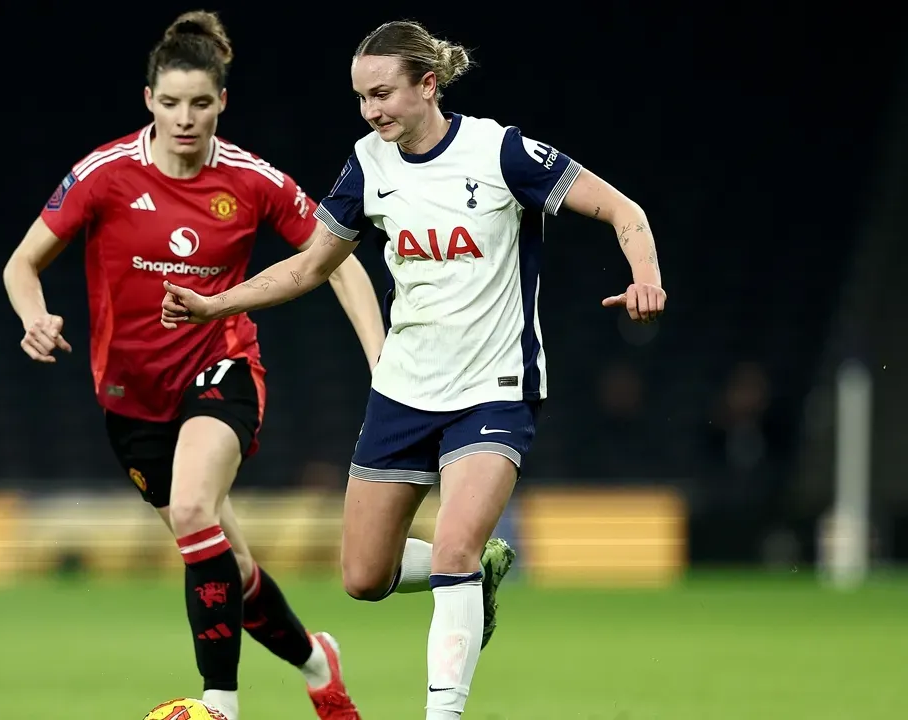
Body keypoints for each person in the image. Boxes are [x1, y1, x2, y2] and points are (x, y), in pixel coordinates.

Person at [161, 19, 667, 720]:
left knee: (455, 544)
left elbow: (623, 208)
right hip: (404, 390)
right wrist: (217, 304)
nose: (372, 111)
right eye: (362, 98)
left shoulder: (502, 153)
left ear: (427, 86)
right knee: (364, 577)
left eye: (383, 94)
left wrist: (645, 276)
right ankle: (477, 572)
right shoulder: (369, 164)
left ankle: (444, 707)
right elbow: (311, 265)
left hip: (494, 389)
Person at [2, 12, 383, 720]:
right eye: (171, 102)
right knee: (226, 563)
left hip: (222, 367)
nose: (186, 118)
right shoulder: (104, 174)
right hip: (130, 399)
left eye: (201, 104)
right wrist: (34, 314)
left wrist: (380, 360)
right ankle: (315, 662)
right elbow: (22, 264)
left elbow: (339, 264)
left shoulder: (251, 180)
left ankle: (219, 705)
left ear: (222, 104)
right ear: (148, 98)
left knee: (191, 509)